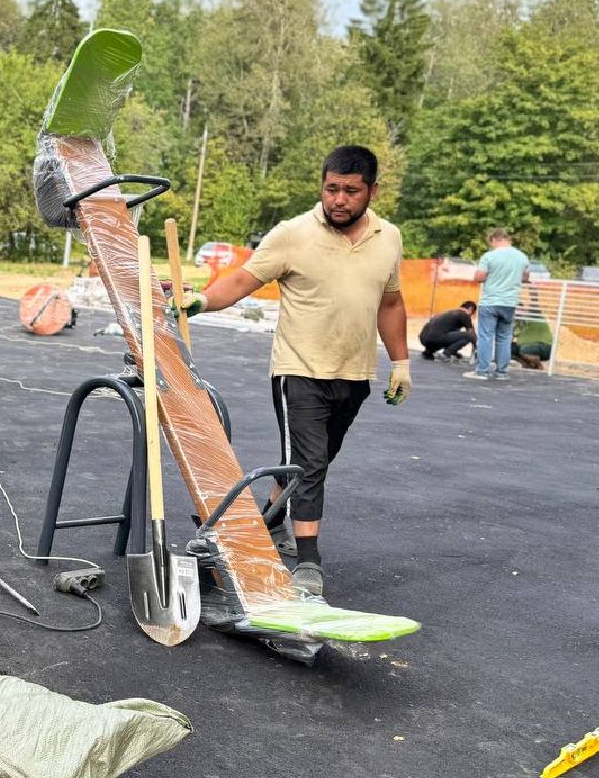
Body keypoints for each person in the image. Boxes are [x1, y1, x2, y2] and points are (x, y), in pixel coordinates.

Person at [172, 145, 409, 600]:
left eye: (351, 191)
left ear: (372, 191)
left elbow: (391, 302)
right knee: (309, 465)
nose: (339, 199)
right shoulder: (292, 234)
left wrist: (400, 362)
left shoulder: (389, 237)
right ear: (321, 186)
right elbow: (244, 279)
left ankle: (268, 523)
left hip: (354, 375)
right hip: (298, 370)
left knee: (314, 461)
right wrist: (201, 300)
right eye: (331, 188)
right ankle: (309, 565)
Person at [464, 228, 530, 382]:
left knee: (486, 337)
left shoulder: (489, 256)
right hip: (510, 303)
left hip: (490, 301)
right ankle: (502, 372)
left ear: (495, 239)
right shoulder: (522, 256)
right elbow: (525, 277)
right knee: (504, 338)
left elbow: (479, 277)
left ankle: (482, 371)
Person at [511, 294, 554, 370]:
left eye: (519, 308)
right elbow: (508, 338)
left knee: (527, 349)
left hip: (542, 347)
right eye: (514, 310)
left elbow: (534, 299)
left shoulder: (533, 315)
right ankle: (528, 365)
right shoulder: (515, 323)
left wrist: (531, 287)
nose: (516, 311)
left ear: (523, 309)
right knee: (507, 348)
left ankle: (538, 365)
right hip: (525, 348)